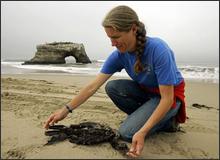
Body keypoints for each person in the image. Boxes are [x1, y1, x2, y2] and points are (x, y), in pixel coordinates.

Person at [44, 5, 186, 158]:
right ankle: (147, 118)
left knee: (127, 133)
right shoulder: (119, 55)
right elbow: (92, 87)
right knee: (113, 87)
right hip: (146, 93)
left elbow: (167, 98)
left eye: (116, 37)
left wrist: (143, 131)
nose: (112, 43)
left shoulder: (159, 50)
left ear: (133, 29)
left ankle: (168, 122)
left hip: (169, 99)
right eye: (110, 38)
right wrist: (65, 110)